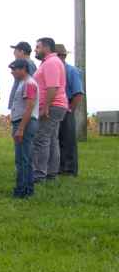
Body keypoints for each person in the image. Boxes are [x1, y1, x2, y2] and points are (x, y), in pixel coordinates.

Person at [32, 37, 68, 184]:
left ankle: (39, 176)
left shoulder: (51, 63)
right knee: (52, 140)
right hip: (55, 106)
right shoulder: (50, 62)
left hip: (52, 106)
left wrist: (45, 107)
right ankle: (51, 175)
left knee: (41, 140)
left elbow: (53, 87)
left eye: (38, 47)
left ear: (46, 48)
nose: (35, 49)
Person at [8, 59, 40, 199]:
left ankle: (21, 191)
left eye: (15, 69)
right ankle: (28, 190)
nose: (12, 72)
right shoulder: (24, 84)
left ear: (23, 69)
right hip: (23, 124)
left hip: (25, 124)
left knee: (22, 161)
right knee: (26, 161)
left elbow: (29, 107)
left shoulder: (28, 84)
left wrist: (21, 128)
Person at [55, 44, 85, 177]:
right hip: (56, 108)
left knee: (69, 139)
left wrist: (70, 109)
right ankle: (60, 168)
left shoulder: (72, 71)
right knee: (57, 139)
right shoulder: (55, 71)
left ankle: (71, 170)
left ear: (62, 56)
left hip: (67, 108)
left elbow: (79, 93)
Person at [7, 41, 37, 107]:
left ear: (21, 52)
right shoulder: (27, 64)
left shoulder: (28, 65)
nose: (13, 53)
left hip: (22, 106)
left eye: (15, 51)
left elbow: (29, 86)